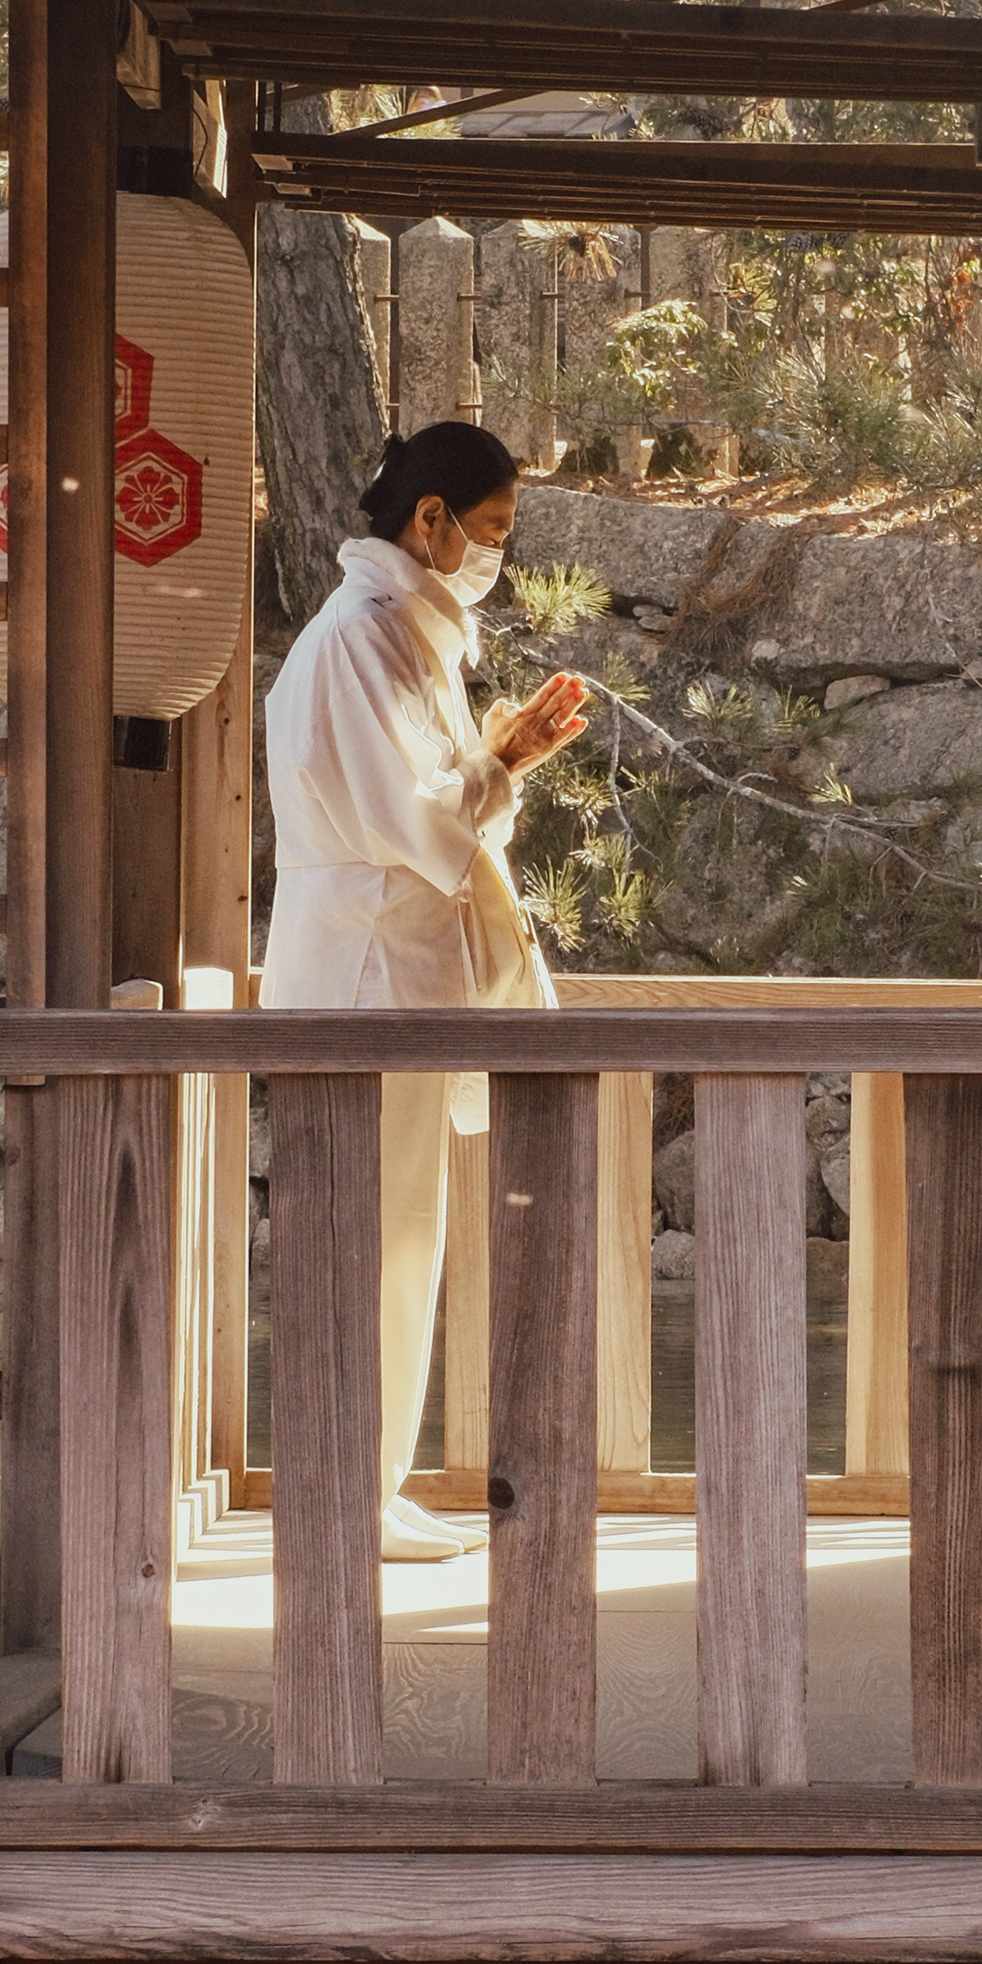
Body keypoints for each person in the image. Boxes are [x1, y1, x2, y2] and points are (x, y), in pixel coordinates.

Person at [262, 422, 589, 1561]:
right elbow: (424, 823)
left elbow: (437, 798)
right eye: (488, 529)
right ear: (430, 517)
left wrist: (499, 757)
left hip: (386, 974)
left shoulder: (399, 632)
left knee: (398, 1242)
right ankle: (343, 1497)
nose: (495, 552)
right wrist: (503, 763)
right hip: (366, 976)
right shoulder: (362, 636)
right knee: (368, 1246)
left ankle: (367, 1484)